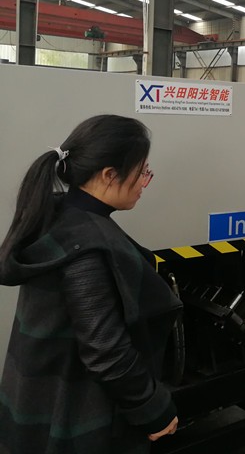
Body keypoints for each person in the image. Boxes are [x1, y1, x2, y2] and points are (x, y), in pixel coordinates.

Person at [0, 115, 182, 454]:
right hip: (74, 414)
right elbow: (106, 351)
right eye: (142, 171)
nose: (145, 182)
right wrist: (154, 410)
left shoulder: (57, 217)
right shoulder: (86, 248)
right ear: (109, 174)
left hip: (38, 397)